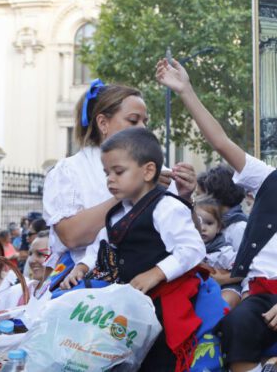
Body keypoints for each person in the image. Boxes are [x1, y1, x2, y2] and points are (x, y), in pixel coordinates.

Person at [156, 57, 277, 372]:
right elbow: (221, 141)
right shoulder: (269, 180)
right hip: (258, 291)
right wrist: (186, 90)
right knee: (237, 323)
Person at [66, 127, 206, 371]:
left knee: (158, 357)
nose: (110, 179)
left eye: (118, 171)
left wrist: (156, 273)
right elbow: (102, 245)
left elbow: (192, 249)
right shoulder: (117, 211)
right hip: (130, 301)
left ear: (148, 170)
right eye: (106, 172)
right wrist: (82, 266)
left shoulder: (166, 207)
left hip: (162, 299)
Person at [43, 80, 196, 290]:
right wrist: (130, 191)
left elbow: (190, 241)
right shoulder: (69, 171)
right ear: (103, 123)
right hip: (89, 281)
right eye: (133, 120)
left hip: (154, 281)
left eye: (145, 121)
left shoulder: (153, 169)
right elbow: (72, 236)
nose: (143, 128)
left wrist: (186, 198)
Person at [195, 194, 244, 308]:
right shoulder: (187, 247)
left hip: (225, 287)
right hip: (200, 289)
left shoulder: (224, 251)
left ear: (218, 227)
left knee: (224, 301)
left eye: (209, 223)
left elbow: (242, 270)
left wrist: (223, 279)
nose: (203, 228)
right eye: (198, 222)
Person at [0, 231, 51, 311]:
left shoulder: (63, 294)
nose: (31, 260)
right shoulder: (16, 292)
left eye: (40, 254)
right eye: (30, 254)